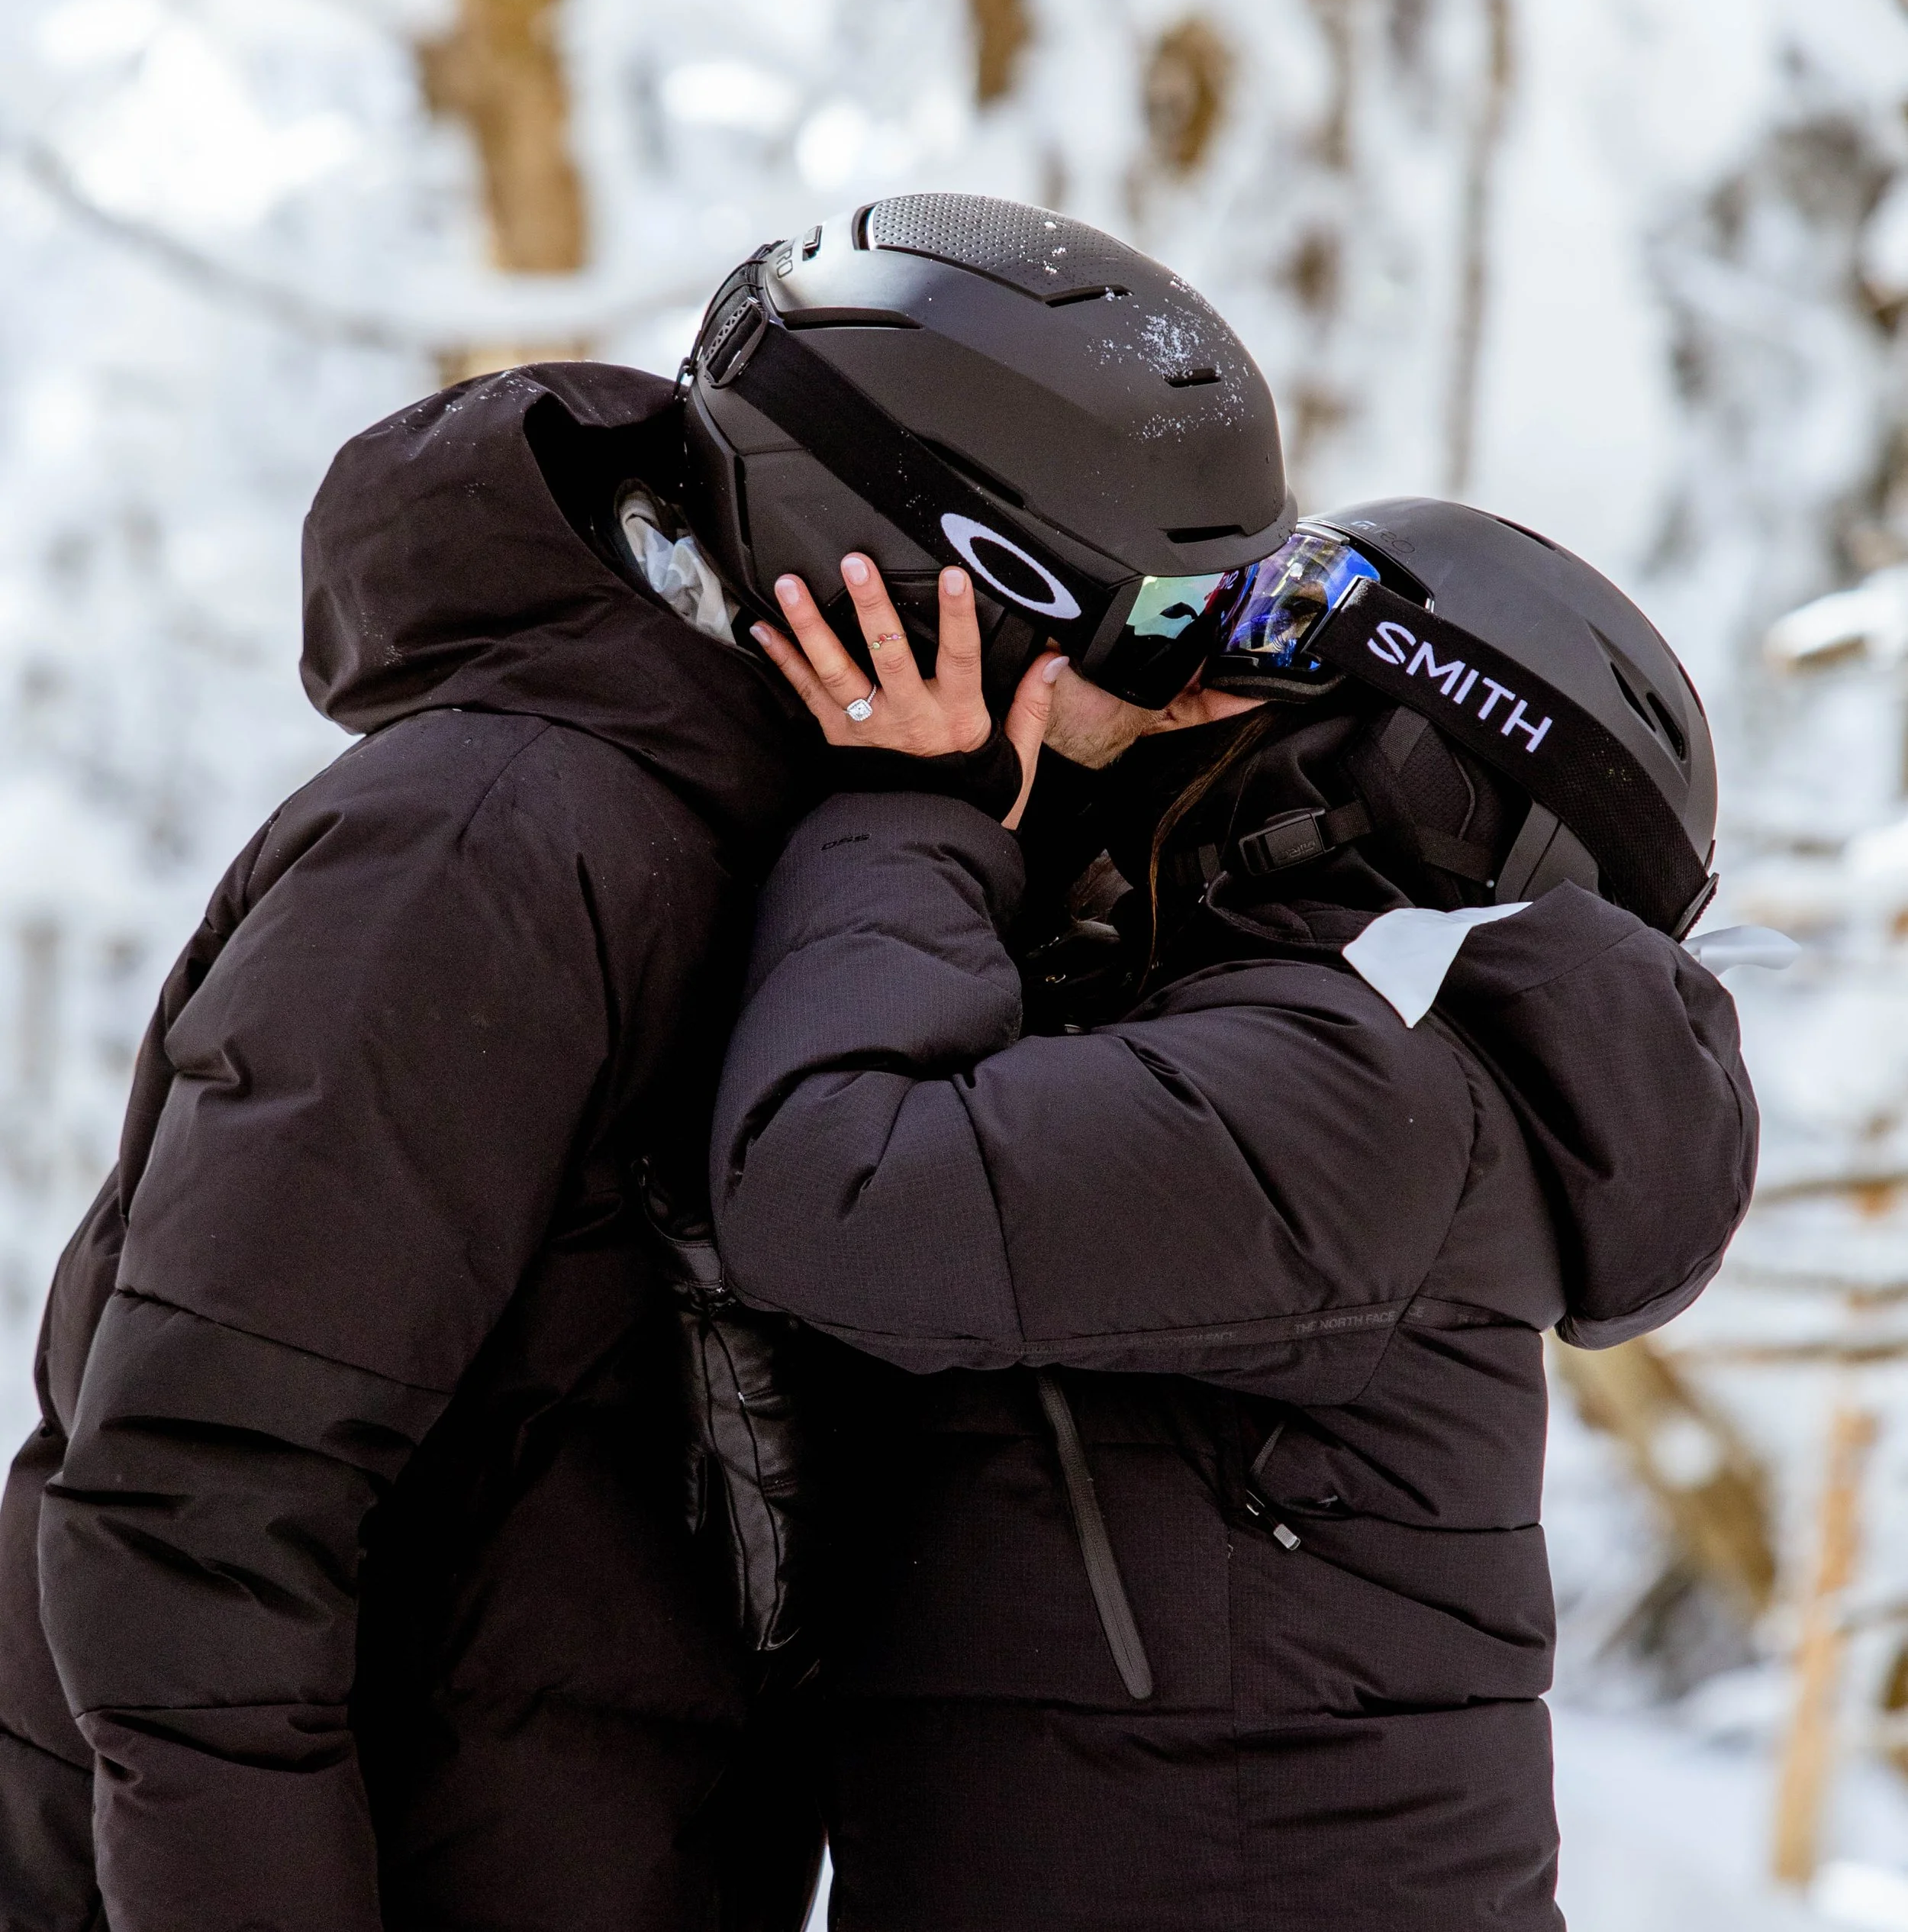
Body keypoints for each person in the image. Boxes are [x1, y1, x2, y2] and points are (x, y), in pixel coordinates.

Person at [0, 192, 1293, 1932]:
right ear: (913, 587)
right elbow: (192, 1512)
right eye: (1161, 627)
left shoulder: (856, 862)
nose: (1198, 688)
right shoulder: (490, 854)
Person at [711, 482, 1759, 1930]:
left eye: (1270, 634)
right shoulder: (1284, 1048)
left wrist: (916, 810)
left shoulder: (1361, 1098)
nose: (1182, 678)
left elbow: (839, 1186)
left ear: (1428, 776)